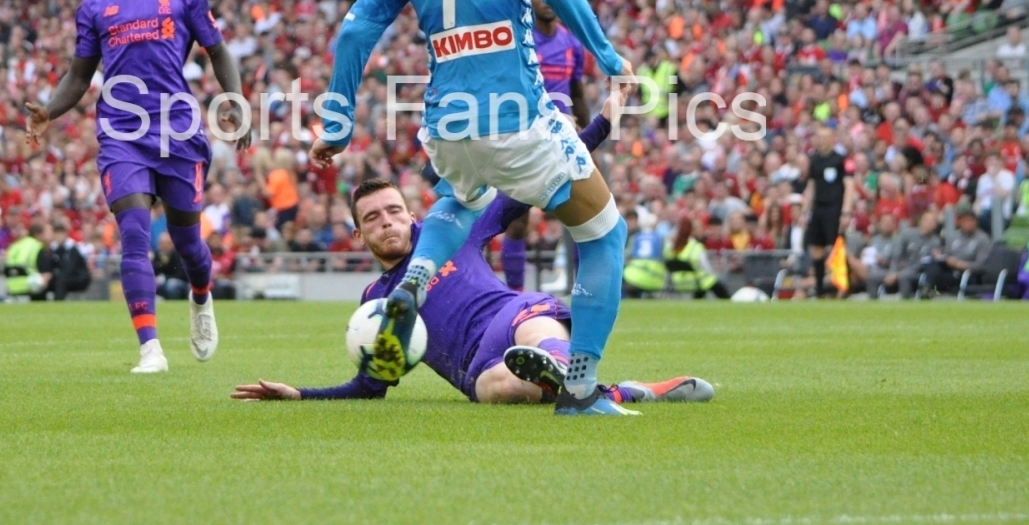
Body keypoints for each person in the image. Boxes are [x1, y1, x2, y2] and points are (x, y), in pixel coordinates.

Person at [311, 0, 634, 416]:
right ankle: (581, 388)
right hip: (516, 115)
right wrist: (607, 54)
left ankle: (413, 280)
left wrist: (336, 122)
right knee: (603, 234)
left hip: (446, 124)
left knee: (463, 198)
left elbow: (354, 33)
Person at [234, 107, 709, 407]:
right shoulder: (376, 302)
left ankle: (564, 370)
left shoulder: (454, 227)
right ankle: (623, 392)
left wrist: (603, 122)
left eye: (394, 210)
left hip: (512, 315)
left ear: (410, 212)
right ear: (358, 234)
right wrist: (298, 395)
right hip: (476, 368)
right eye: (374, 218)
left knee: (537, 334)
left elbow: (539, 178)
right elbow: (370, 387)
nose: (388, 221)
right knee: (497, 390)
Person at [25, 0, 251, 374]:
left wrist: (234, 99)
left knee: (188, 244)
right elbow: (79, 73)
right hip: (122, 133)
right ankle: (150, 348)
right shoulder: (96, 3)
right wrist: (48, 110)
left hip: (179, 131)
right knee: (133, 231)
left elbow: (219, 51)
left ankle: (201, 297)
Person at [500, 0, 589, 290]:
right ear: (530, 0)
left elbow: (577, 91)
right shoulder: (520, 39)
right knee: (517, 221)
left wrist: (590, 138)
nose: (548, 3)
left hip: (564, 138)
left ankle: (582, 290)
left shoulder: (571, 41)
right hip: (527, 136)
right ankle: (514, 296)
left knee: (582, 216)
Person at [803, 126, 852, 295]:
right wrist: (805, 210)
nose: (823, 140)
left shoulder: (840, 160)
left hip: (834, 208)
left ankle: (842, 288)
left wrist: (846, 211)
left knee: (836, 248)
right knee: (816, 248)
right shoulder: (814, 160)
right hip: (818, 208)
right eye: (820, 137)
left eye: (826, 137)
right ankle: (819, 288)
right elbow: (811, 186)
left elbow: (849, 185)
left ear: (833, 139)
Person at [915, 210, 991, 297]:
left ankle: (928, 289)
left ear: (976, 222)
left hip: (967, 274)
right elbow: (946, 253)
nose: (969, 224)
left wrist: (959, 264)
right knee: (932, 262)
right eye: (965, 221)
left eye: (971, 221)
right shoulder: (954, 236)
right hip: (950, 269)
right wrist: (940, 255)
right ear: (960, 222)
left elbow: (982, 266)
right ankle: (926, 287)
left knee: (940, 276)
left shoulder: (982, 239)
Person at [37, 220, 93, 301]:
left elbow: (71, 268)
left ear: (66, 234)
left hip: (78, 278)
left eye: (61, 233)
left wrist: (55, 273)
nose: (59, 236)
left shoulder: (72, 248)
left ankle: (58, 304)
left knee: (61, 280)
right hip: (61, 278)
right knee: (42, 282)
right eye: (56, 233)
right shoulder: (52, 249)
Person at [3, 221, 50, 299]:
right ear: (38, 234)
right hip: (29, 283)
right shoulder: (37, 246)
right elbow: (44, 271)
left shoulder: (16, 245)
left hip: (11, 284)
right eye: (47, 232)